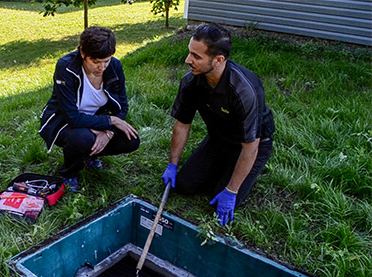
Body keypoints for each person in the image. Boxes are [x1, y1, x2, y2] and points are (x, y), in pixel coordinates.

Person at [161, 24, 275, 226]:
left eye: (196, 56)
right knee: (185, 185)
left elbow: (251, 146)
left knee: (221, 197)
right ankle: (222, 167)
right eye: (189, 53)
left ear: (219, 60)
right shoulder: (191, 81)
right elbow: (182, 125)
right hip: (218, 139)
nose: (188, 60)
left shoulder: (245, 90)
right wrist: (173, 164)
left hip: (251, 145)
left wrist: (231, 191)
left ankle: (239, 174)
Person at [39, 26, 140, 192]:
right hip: (64, 122)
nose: (102, 67)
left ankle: (90, 155)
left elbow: (122, 106)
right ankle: (69, 173)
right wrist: (111, 121)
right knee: (82, 138)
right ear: (83, 53)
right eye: (95, 62)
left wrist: (109, 132)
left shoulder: (115, 66)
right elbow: (72, 116)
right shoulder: (65, 67)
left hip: (97, 119)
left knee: (132, 139)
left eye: (106, 61)